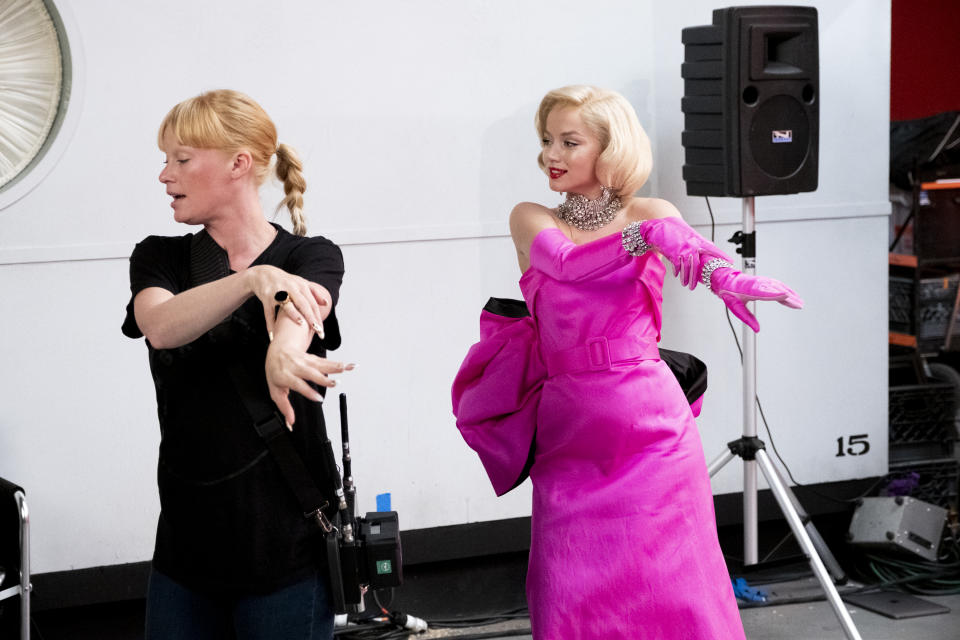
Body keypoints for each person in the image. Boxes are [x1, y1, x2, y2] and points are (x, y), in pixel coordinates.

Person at [453, 85, 803, 638]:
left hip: (653, 428)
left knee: (679, 590)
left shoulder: (651, 212)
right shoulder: (532, 217)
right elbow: (568, 267)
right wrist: (646, 236)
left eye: (571, 142)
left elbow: (697, 258)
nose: (552, 154)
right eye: (548, 140)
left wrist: (732, 278)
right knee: (569, 595)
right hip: (571, 432)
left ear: (610, 150)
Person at [122, 89, 349, 640]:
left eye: (180, 159)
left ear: (238, 164)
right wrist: (249, 280)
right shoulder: (162, 257)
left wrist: (283, 354)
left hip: (286, 554)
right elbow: (160, 325)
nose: (164, 175)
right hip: (184, 554)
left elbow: (299, 320)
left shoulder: (310, 256)